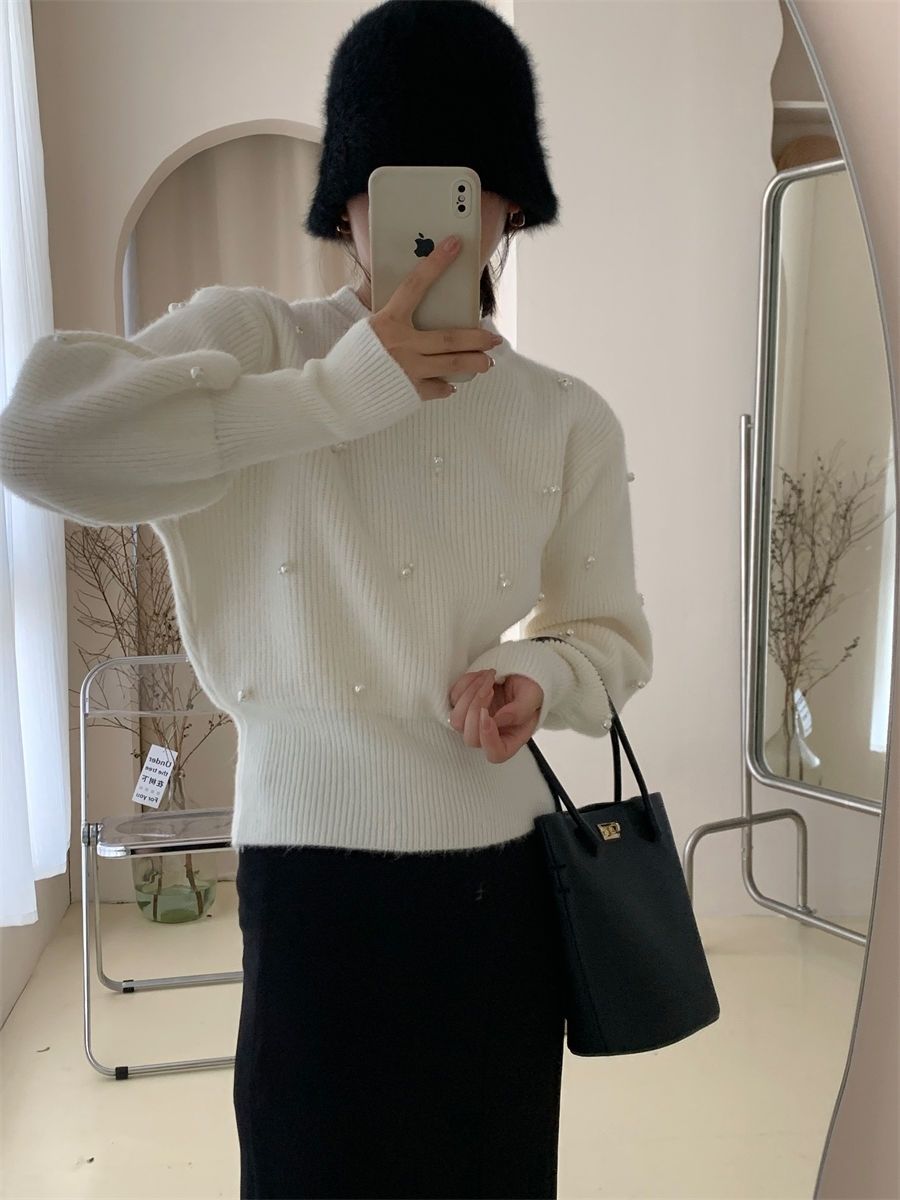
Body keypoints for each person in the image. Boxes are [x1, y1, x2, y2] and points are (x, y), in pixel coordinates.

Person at [0, 1, 653, 1196]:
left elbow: (612, 637)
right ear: (346, 202)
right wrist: (332, 397)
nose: (431, 225)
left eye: (469, 187)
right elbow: (36, 437)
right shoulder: (257, 342)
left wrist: (540, 675)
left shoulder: (567, 415)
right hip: (308, 881)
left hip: (499, 885)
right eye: (387, 185)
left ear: (511, 206)